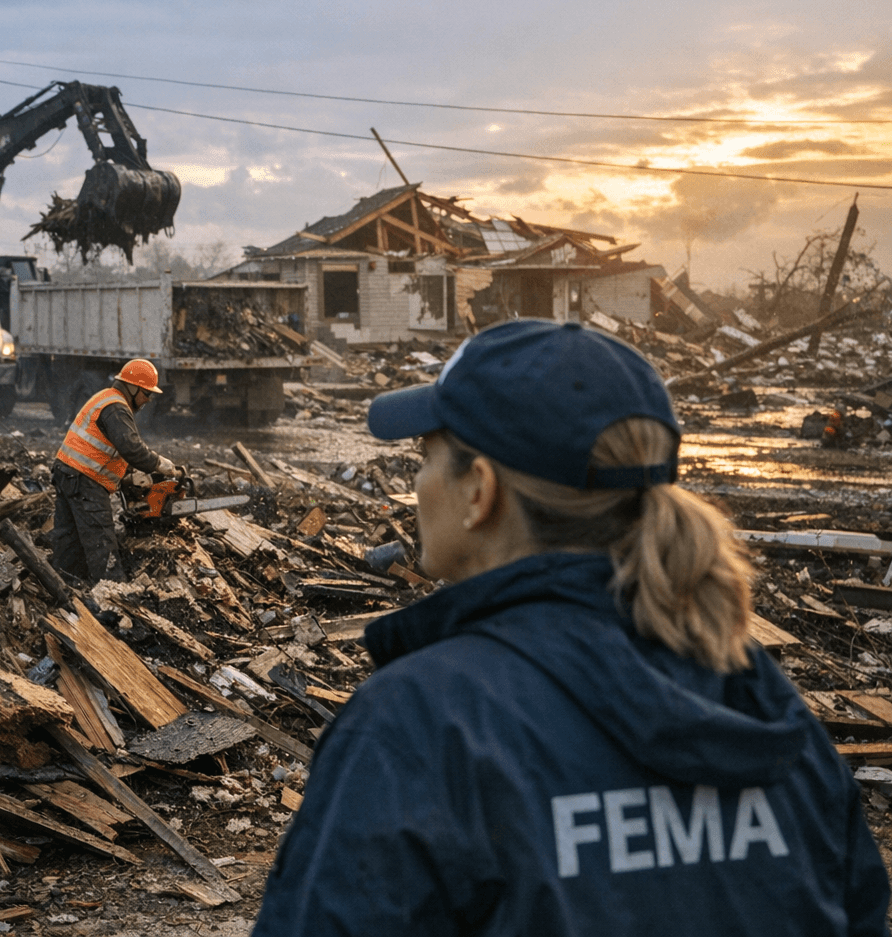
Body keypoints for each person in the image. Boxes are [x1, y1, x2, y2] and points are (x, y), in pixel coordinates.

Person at [252, 319, 889, 936]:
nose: (417, 482)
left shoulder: (422, 724)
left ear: (479, 489)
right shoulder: (759, 699)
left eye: (426, 454)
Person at [50, 359, 178, 584]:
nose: (148, 400)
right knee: (101, 540)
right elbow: (131, 447)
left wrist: (128, 477)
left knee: (69, 539)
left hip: (68, 473)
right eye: (147, 394)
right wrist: (159, 464)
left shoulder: (105, 399)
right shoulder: (116, 407)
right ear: (133, 387)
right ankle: (113, 594)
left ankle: (66, 586)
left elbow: (109, 450)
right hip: (84, 480)